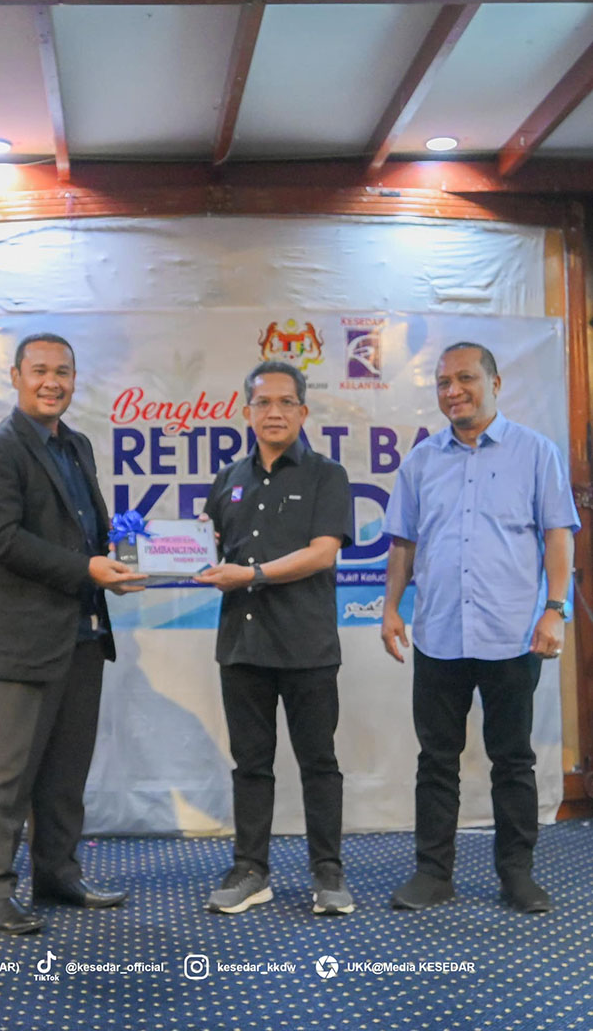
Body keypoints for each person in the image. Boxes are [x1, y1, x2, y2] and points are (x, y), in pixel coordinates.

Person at [0, 333, 145, 935]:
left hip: (82, 634)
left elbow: (82, 533)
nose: (52, 382)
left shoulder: (77, 445)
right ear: (15, 376)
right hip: (21, 640)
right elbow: (0, 540)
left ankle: (58, 874)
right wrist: (87, 569)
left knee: (65, 774)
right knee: (5, 777)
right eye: (39, 370)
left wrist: (126, 554)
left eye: (63, 371)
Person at [382, 341, 579, 914]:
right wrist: (391, 608)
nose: (453, 391)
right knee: (435, 760)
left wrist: (555, 608)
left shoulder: (536, 453)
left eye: (465, 379)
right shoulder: (421, 461)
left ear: (495, 383)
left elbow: (558, 536)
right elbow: (403, 543)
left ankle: (517, 874)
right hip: (439, 633)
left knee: (512, 759)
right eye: (443, 382)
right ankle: (432, 874)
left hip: (513, 634)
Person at [196, 359, 355, 916]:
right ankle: (250, 870)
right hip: (242, 646)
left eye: (287, 402)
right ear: (247, 412)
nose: (275, 412)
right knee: (250, 765)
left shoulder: (327, 476)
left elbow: (322, 553)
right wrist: (172, 550)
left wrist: (252, 574)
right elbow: (209, 549)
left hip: (308, 646)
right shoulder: (227, 480)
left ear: (303, 411)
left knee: (319, 763)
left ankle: (328, 874)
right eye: (263, 403)